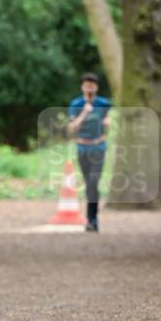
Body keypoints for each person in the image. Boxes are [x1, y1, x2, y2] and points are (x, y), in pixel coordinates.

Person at [67, 73, 111, 232]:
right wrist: (85, 113)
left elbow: (109, 120)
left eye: (92, 85)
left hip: (98, 147)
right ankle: (91, 219)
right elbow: (72, 128)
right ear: (82, 87)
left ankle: (93, 219)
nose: (89, 88)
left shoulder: (104, 103)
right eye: (87, 85)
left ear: (96, 87)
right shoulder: (76, 104)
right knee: (89, 185)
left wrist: (108, 122)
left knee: (93, 182)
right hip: (82, 147)